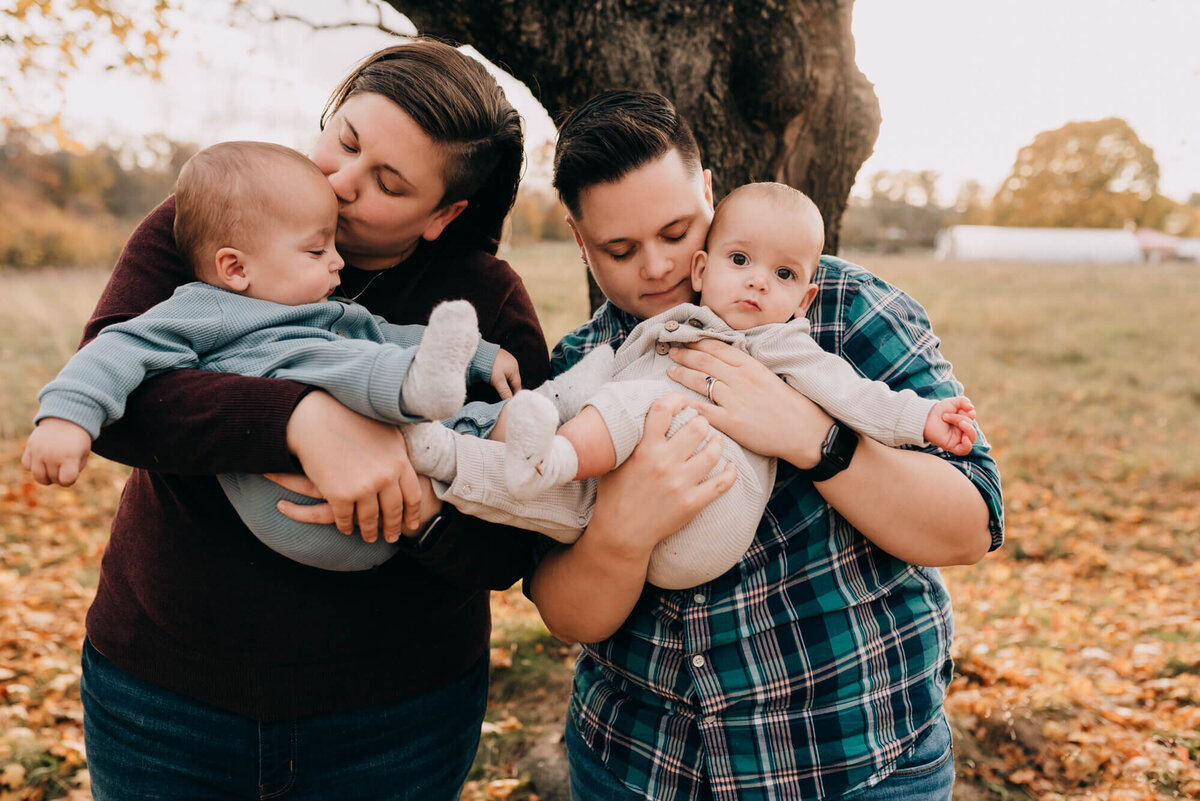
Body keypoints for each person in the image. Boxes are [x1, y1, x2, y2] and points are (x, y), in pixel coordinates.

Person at [428, 90, 1004, 799]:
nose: (660, 267)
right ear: (581, 241)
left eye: (678, 230)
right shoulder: (587, 361)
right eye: (620, 248)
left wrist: (810, 436)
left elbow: (971, 525)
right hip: (639, 767)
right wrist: (622, 530)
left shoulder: (843, 313)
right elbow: (564, 614)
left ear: (708, 190)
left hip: (856, 759)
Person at [55, 40, 548, 801]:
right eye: (344, 140)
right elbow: (121, 397)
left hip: (395, 719)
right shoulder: (224, 215)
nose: (341, 182)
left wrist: (419, 509)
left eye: (387, 181)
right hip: (166, 696)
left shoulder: (479, 301)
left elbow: (518, 534)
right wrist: (300, 417)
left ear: (444, 213)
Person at [403, 181, 978, 589]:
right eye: (740, 260)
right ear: (704, 271)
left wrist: (920, 419)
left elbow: (857, 396)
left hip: (711, 516)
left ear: (803, 298)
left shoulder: (785, 343)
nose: (757, 282)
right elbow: (617, 365)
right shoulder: (660, 328)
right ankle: (446, 454)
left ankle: (552, 453)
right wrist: (559, 404)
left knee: (649, 398)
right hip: (617, 510)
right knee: (544, 482)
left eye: (782, 275)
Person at [23, 140, 527, 573]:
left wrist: (481, 356)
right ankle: (415, 389)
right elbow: (120, 348)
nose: (336, 261)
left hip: (390, 533)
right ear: (235, 268)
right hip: (294, 511)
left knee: (439, 410)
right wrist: (66, 417)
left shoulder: (329, 307)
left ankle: (524, 421)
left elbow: (393, 332)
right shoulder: (208, 306)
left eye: (389, 182)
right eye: (317, 252)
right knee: (337, 364)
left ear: (445, 211)